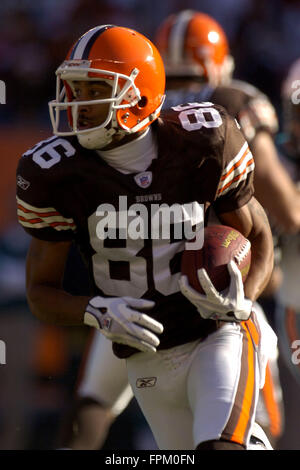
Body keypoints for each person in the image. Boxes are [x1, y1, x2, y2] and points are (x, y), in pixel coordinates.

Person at [17, 24, 276, 451]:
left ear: (137, 98)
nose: (76, 103)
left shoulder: (204, 141)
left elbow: (260, 234)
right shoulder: (54, 174)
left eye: (93, 89)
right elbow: (39, 291)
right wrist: (95, 311)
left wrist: (243, 298)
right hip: (143, 353)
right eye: (73, 89)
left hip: (218, 331)